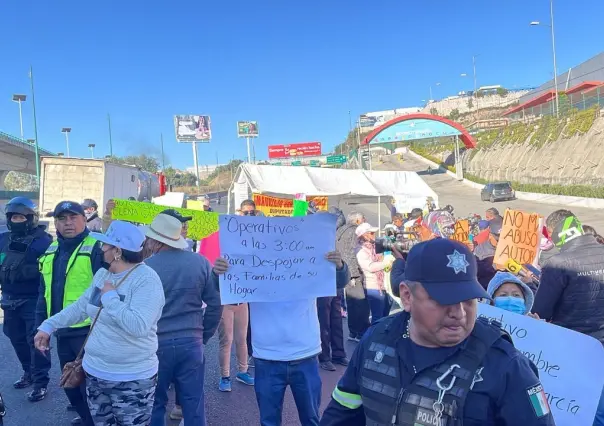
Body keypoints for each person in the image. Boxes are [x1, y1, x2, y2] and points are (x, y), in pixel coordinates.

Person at [320, 238, 556, 426]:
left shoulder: (506, 365)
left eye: (469, 299)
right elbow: (342, 411)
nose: (460, 313)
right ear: (407, 296)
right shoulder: (375, 340)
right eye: (445, 300)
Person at [35, 220, 165, 425]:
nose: (100, 248)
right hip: (95, 373)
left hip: (132, 378)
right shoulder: (103, 274)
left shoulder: (147, 280)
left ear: (117, 251)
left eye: (105, 245)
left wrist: (111, 299)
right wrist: (48, 325)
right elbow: (79, 308)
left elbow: (139, 326)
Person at [213, 249, 350, 426]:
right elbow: (225, 287)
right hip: (267, 357)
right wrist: (218, 274)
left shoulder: (308, 257)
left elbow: (338, 282)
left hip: (304, 355)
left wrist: (340, 266)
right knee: (270, 421)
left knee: (311, 419)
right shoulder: (252, 261)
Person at [145, 214, 222, 426]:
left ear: (157, 241)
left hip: (154, 343)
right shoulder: (200, 262)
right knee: (193, 403)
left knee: (154, 403)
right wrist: (203, 335)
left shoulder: (145, 268)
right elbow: (215, 304)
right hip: (191, 341)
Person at [36, 201, 104, 426]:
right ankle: (87, 419)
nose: (68, 223)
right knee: (70, 383)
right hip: (61, 330)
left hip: (89, 331)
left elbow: (106, 289)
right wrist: (42, 326)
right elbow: (43, 292)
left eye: (73, 217)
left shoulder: (96, 247)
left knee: (92, 386)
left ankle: (95, 420)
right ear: (55, 223)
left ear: (85, 219)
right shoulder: (52, 249)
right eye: (62, 219)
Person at [0, 197, 52, 402]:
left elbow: (50, 272)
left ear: (30, 218)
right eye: (14, 216)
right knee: (16, 338)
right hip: (9, 298)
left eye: (21, 217)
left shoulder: (43, 241)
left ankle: (41, 383)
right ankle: (28, 372)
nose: (17, 220)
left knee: (37, 342)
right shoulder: (3, 239)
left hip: (33, 300)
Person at [316, 207, 348, 371]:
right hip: (321, 284)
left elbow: (343, 261)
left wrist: (340, 264)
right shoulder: (314, 238)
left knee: (336, 319)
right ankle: (324, 356)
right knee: (323, 320)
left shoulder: (336, 236)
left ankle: (339, 353)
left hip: (334, 283)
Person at [336, 212, 369, 342]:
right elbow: (350, 253)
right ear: (357, 220)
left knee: (352, 303)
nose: (364, 221)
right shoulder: (353, 231)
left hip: (344, 270)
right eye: (362, 219)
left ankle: (353, 331)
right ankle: (360, 332)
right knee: (360, 302)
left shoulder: (341, 230)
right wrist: (354, 274)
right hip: (352, 272)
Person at [356, 223, 392, 324]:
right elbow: (370, 267)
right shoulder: (360, 251)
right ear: (364, 235)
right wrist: (386, 263)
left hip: (382, 285)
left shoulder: (374, 247)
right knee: (378, 317)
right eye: (371, 233)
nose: (374, 235)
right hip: (373, 287)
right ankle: (375, 338)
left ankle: (382, 336)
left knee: (385, 314)